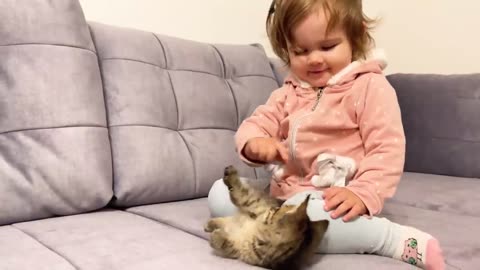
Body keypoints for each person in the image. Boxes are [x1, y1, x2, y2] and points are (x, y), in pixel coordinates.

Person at [208, 0, 445, 269]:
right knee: (219, 193)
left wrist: (364, 193)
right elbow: (256, 123)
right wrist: (254, 143)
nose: (315, 58)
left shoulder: (370, 87)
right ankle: (275, 230)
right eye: (300, 51)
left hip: (332, 201)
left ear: (355, 36)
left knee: (309, 211)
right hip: (280, 200)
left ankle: (391, 239)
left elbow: (386, 149)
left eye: (328, 47)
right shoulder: (287, 93)